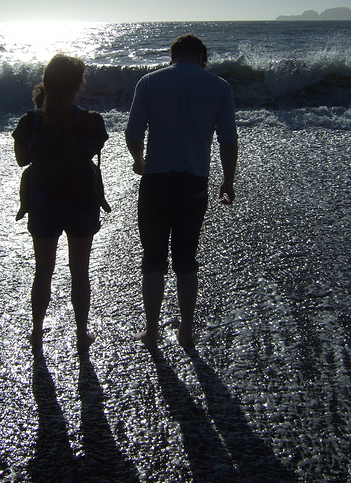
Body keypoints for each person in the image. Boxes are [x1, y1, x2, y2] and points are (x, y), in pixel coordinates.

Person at [125, 34, 238, 350]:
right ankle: (186, 330)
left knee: (153, 258)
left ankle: (151, 331)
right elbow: (228, 140)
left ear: (171, 55)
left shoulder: (150, 82)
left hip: (156, 180)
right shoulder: (219, 86)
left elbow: (133, 132)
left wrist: (139, 160)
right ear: (202, 56)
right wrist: (227, 181)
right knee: (186, 258)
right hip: (194, 183)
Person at [13, 54, 108, 354]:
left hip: (43, 202)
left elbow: (21, 160)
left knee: (43, 270)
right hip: (81, 201)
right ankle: (81, 333)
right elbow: (93, 149)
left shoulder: (30, 122)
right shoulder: (91, 122)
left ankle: (37, 331)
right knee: (80, 270)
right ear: (76, 86)